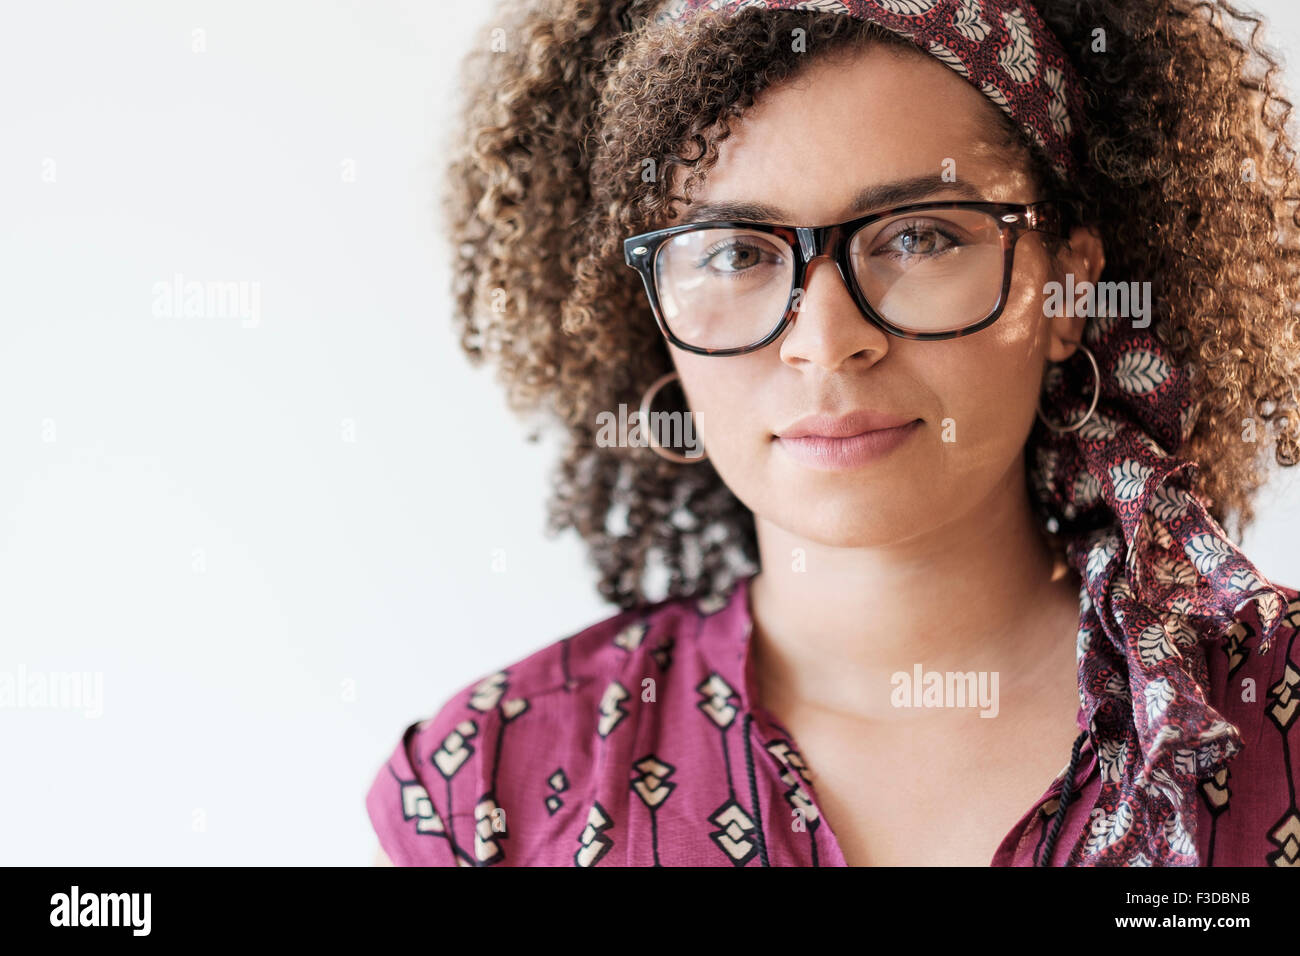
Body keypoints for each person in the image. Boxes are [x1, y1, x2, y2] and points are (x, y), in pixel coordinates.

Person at [367, 0, 1300, 866]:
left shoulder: (1280, 708)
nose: (827, 343)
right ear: (652, 315)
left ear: (1067, 287)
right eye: (736, 253)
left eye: (919, 238)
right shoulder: (487, 792)